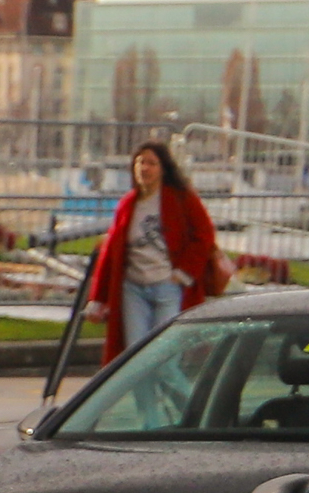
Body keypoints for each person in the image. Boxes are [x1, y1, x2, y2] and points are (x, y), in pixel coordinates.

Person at [84, 143, 225, 364]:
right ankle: (149, 401)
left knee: (164, 361)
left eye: (152, 163)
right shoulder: (127, 205)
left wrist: (182, 273)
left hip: (167, 288)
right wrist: (98, 299)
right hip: (133, 290)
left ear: (163, 168)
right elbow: (111, 254)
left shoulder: (181, 198)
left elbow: (204, 234)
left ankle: (185, 400)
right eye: (141, 162)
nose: (145, 168)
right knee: (136, 360)